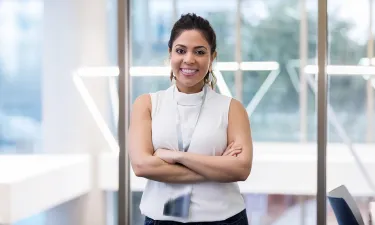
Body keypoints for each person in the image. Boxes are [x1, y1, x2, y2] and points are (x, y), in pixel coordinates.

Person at [128, 13, 253, 225]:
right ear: (170, 54)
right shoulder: (147, 104)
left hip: (224, 219)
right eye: (180, 50)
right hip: (162, 219)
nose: (189, 59)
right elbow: (142, 166)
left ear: (212, 57)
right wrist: (219, 168)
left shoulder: (232, 108)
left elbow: (241, 169)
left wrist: (175, 156)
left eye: (200, 52)